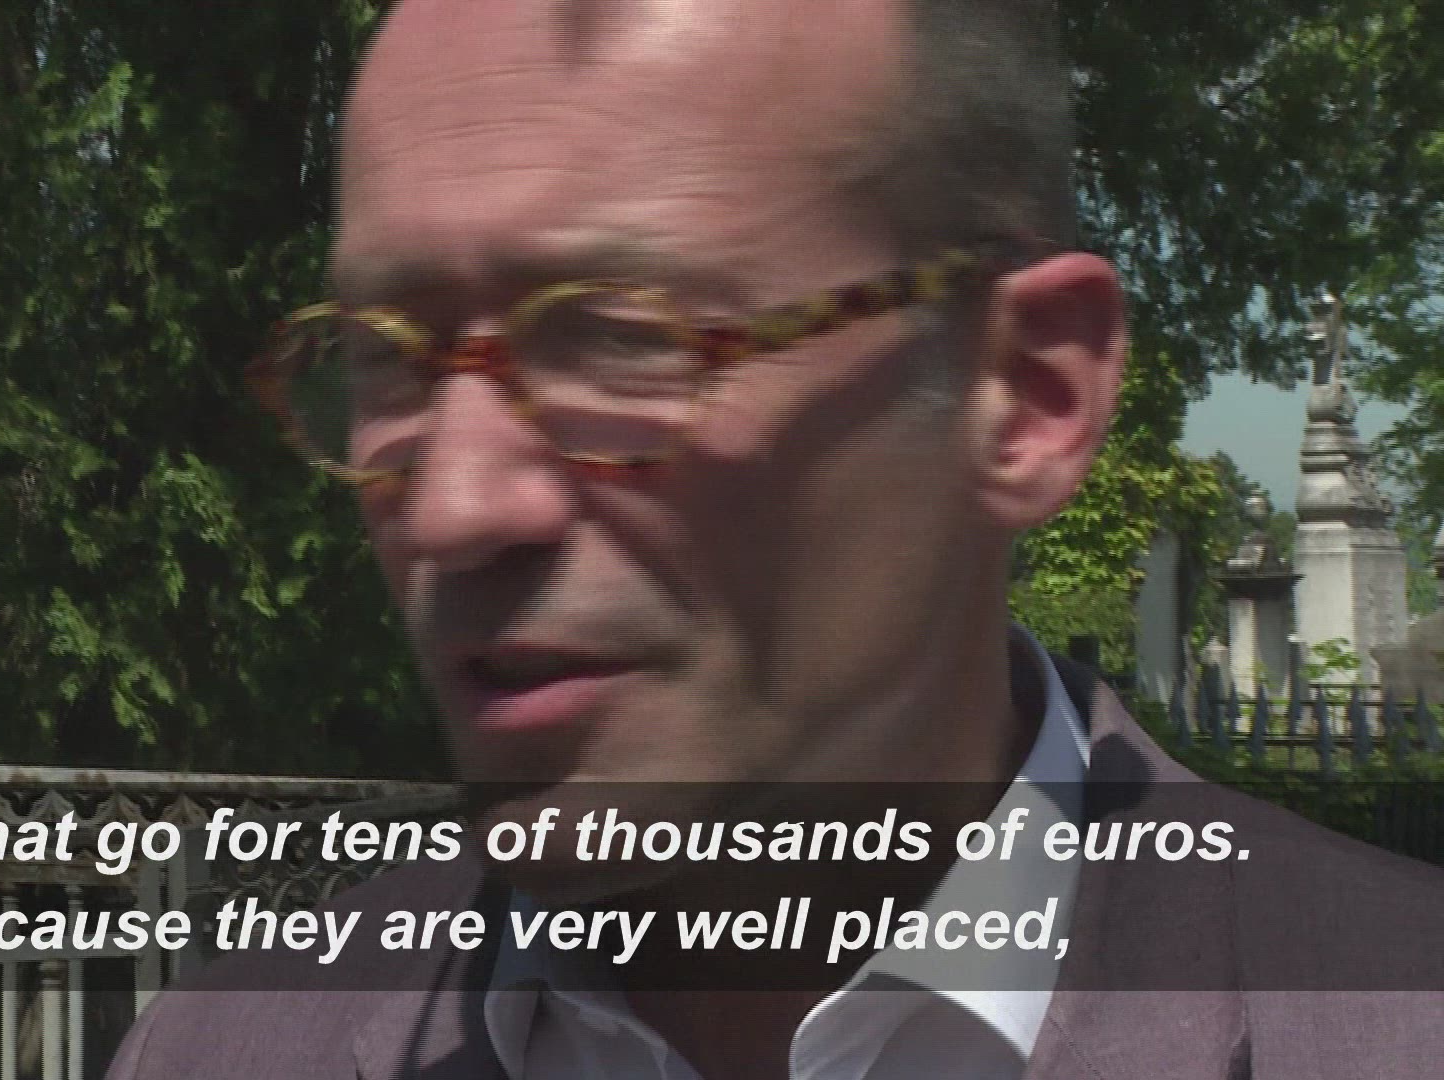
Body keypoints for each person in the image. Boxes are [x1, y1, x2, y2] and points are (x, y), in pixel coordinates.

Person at [109, 0, 1444, 1076]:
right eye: (387, 358)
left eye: (621, 337)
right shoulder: (222, 1045)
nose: (453, 508)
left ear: (1027, 397)